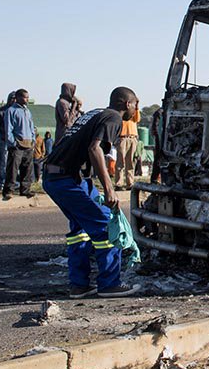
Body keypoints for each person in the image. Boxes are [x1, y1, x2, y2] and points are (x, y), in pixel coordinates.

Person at [42, 87, 141, 298]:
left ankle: (79, 285)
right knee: (107, 225)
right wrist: (109, 187)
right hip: (67, 179)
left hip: (61, 177)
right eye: (135, 104)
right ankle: (109, 283)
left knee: (80, 230)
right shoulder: (114, 118)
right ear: (126, 104)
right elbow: (94, 148)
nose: (136, 109)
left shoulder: (95, 113)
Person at [3, 88, 36, 200]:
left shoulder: (28, 111)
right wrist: (13, 143)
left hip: (28, 144)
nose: (27, 99)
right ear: (18, 98)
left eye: (27, 97)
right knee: (12, 168)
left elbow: (32, 127)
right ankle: (9, 191)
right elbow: (8, 128)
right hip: (17, 145)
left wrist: (33, 140)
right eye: (25, 97)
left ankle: (25, 190)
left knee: (27, 169)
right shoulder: (11, 111)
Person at [0, 92, 16, 191]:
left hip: (14, 140)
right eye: (12, 98)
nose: (13, 100)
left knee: (13, 164)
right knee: (2, 163)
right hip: (4, 140)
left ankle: (11, 184)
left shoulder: (17, 111)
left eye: (15, 98)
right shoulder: (1, 111)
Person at [115, 106, 141, 190]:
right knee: (120, 161)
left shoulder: (134, 112)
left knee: (130, 162)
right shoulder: (120, 113)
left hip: (132, 138)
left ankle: (130, 183)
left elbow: (137, 119)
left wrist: (136, 107)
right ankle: (119, 184)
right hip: (122, 137)